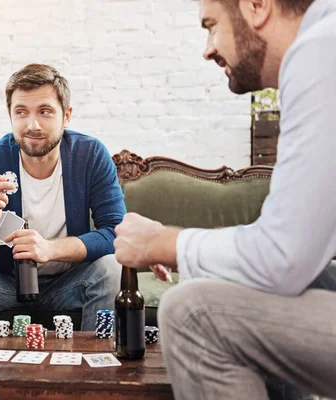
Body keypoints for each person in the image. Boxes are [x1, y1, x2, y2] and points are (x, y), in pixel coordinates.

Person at [113, 0, 336, 399]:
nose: (208, 48)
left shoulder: (320, 50)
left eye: (211, 26)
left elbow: (281, 256)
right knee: (238, 281)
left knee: (192, 313)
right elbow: (299, 251)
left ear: (256, 6)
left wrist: (161, 243)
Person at [0, 63, 125, 331]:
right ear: (10, 116)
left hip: (71, 281)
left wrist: (49, 248)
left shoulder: (89, 155)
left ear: (66, 116)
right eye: (21, 112)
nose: (32, 125)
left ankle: (94, 365)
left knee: (111, 268)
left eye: (45, 112)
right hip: (4, 283)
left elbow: (115, 233)